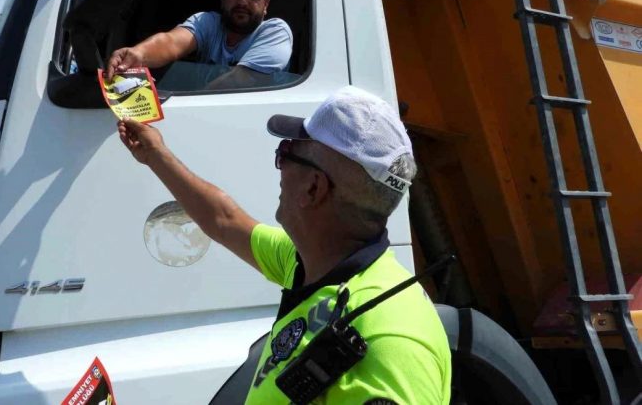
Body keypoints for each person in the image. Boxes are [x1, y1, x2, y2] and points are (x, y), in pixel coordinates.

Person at [116, 86, 451, 404]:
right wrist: (156, 155)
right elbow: (225, 220)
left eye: (287, 153)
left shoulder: (390, 346)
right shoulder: (311, 263)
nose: (279, 167)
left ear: (313, 188)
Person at [106, 0, 293, 90]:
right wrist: (138, 54)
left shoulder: (275, 31)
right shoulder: (208, 22)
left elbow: (240, 80)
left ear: (265, 4)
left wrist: (190, 100)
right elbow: (171, 42)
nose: (242, 1)